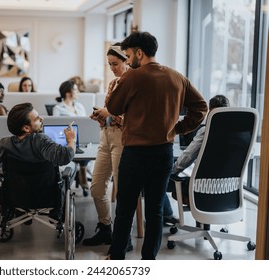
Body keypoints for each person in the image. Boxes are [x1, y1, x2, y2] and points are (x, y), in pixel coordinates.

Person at [106, 31, 208, 260]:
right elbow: (201, 107)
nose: (128, 59)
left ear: (139, 53)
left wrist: (120, 82)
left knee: (125, 209)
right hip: (164, 153)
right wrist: (178, 128)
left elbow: (113, 108)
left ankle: (117, 257)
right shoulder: (176, 77)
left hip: (135, 154)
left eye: (128, 54)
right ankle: (149, 261)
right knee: (155, 211)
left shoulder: (132, 76)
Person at [0, 102, 77, 224]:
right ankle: (57, 212)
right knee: (72, 167)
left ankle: (20, 211)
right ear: (26, 128)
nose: (42, 119)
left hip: (16, 196)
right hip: (46, 195)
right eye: (37, 119)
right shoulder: (42, 141)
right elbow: (65, 156)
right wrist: (71, 140)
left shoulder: (4, 144)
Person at [82, 43, 128, 247]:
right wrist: (101, 116)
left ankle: (122, 237)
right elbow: (111, 111)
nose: (112, 68)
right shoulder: (112, 84)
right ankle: (105, 228)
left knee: (122, 191)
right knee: (97, 188)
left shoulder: (134, 84)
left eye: (116, 64)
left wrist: (109, 114)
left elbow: (133, 120)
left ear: (127, 60)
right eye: (109, 64)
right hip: (105, 137)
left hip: (122, 140)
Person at [168, 95, 230, 230]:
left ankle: (166, 216)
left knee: (163, 179)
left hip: (202, 192)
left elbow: (187, 157)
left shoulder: (206, 131)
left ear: (211, 112)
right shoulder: (238, 133)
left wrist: (172, 172)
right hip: (229, 192)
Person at [53, 80, 89, 193]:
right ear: (68, 93)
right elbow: (56, 129)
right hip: (66, 141)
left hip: (82, 141)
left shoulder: (80, 106)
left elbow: (85, 125)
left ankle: (82, 175)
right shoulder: (58, 108)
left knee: (86, 152)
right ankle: (82, 179)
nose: (78, 91)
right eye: (75, 89)